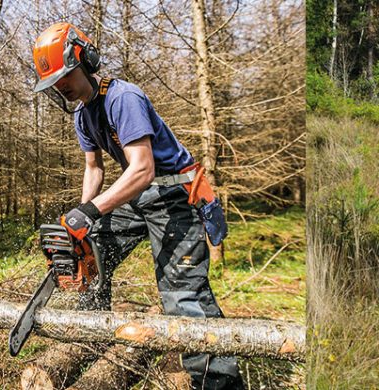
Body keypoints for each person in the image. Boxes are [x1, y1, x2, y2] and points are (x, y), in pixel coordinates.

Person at [31, 23, 242, 389]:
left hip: (174, 195)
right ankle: (92, 332)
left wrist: (92, 211)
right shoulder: (83, 114)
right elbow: (93, 169)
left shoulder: (122, 98)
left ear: (84, 60)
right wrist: (82, 221)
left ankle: (219, 382)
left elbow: (142, 168)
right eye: (55, 83)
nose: (61, 86)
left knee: (183, 293)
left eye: (64, 76)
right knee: (93, 250)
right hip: (141, 195)